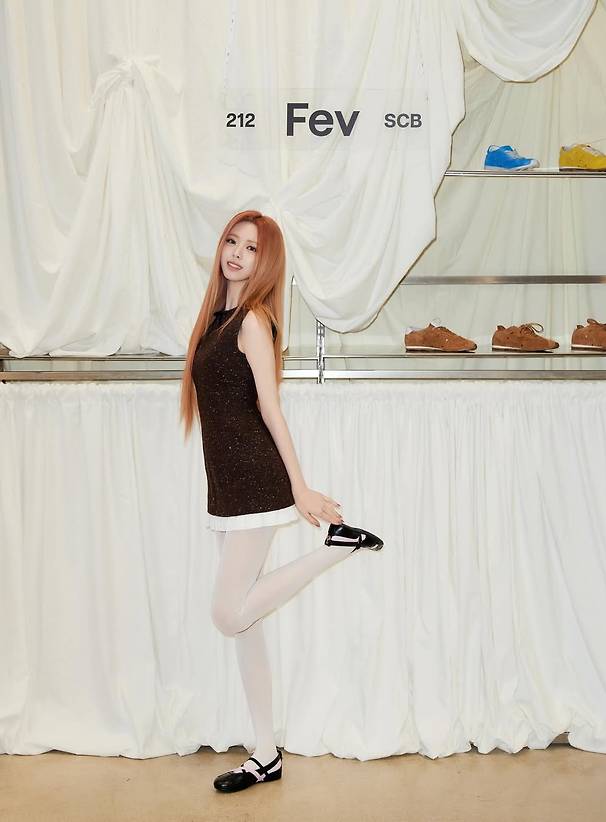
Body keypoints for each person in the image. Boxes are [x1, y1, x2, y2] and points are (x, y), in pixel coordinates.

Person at [179, 209, 383, 793]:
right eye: (232, 241)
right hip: (226, 485)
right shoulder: (215, 320)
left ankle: (337, 548)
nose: (237, 253)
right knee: (246, 624)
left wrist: (299, 487)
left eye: (251, 247)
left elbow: (271, 408)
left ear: (266, 261)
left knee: (227, 614)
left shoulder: (252, 322)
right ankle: (265, 753)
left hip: (256, 482)